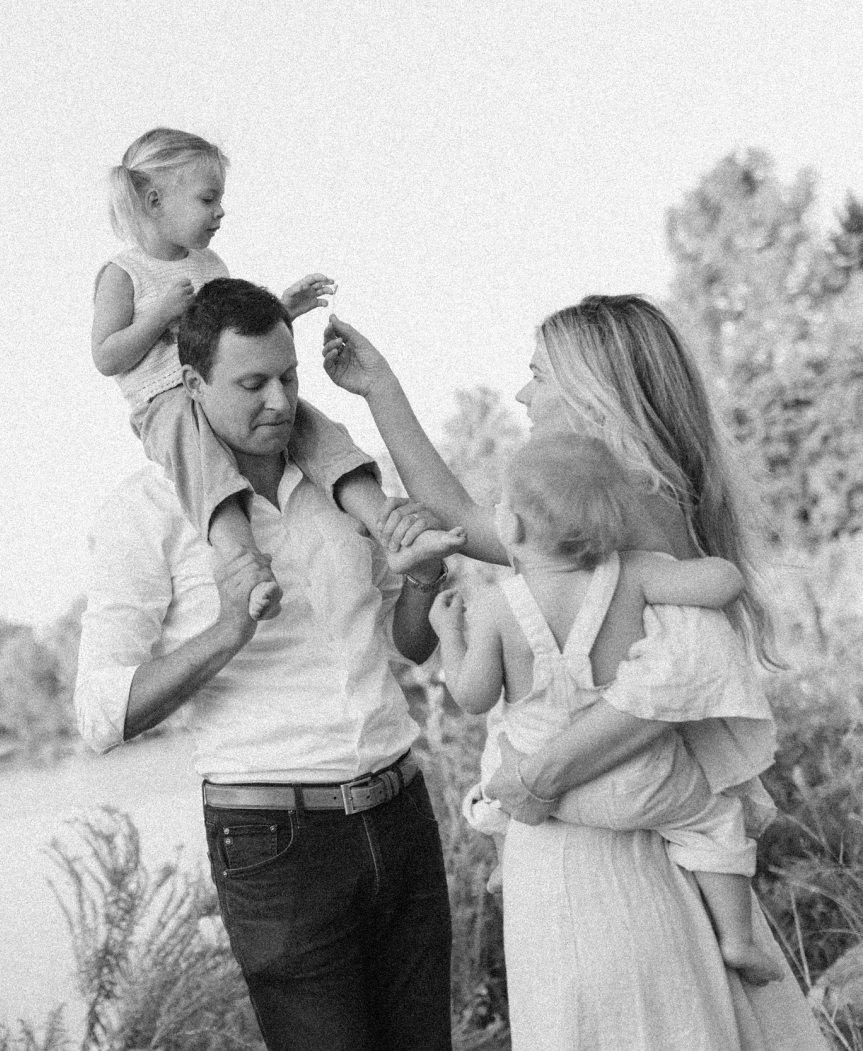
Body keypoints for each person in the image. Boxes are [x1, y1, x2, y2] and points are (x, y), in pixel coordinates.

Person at [321, 293, 827, 1049]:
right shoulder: (581, 521)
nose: (523, 394)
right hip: (581, 833)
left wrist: (542, 771)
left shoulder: (637, 509)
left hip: (611, 842)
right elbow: (455, 508)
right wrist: (381, 388)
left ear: (594, 389)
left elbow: (674, 680)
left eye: (536, 375)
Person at [75, 278, 463, 1050]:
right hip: (277, 844)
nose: (280, 401)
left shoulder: (346, 487)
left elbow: (409, 645)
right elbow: (99, 715)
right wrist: (226, 631)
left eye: (289, 377)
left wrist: (422, 579)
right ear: (192, 385)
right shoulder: (144, 512)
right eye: (252, 383)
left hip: (401, 810)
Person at [430, 432, 785, 985]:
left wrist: (449, 635)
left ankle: (504, 853)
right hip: (647, 784)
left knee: (495, 761)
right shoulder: (637, 573)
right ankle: (736, 939)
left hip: (544, 797)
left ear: (512, 527)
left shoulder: (501, 605)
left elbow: (472, 697)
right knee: (716, 819)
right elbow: (725, 582)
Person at [92, 127, 453, 621]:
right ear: (154, 200)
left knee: (308, 424)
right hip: (166, 401)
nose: (220, 212)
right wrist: (156, 316)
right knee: (200, 459)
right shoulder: (123, 273)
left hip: (223, 393)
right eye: (207, 199)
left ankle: (385, 518)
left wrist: (284, 309)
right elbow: (107, 356)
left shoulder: (210, 263)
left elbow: (237, 338)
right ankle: (243, 560)